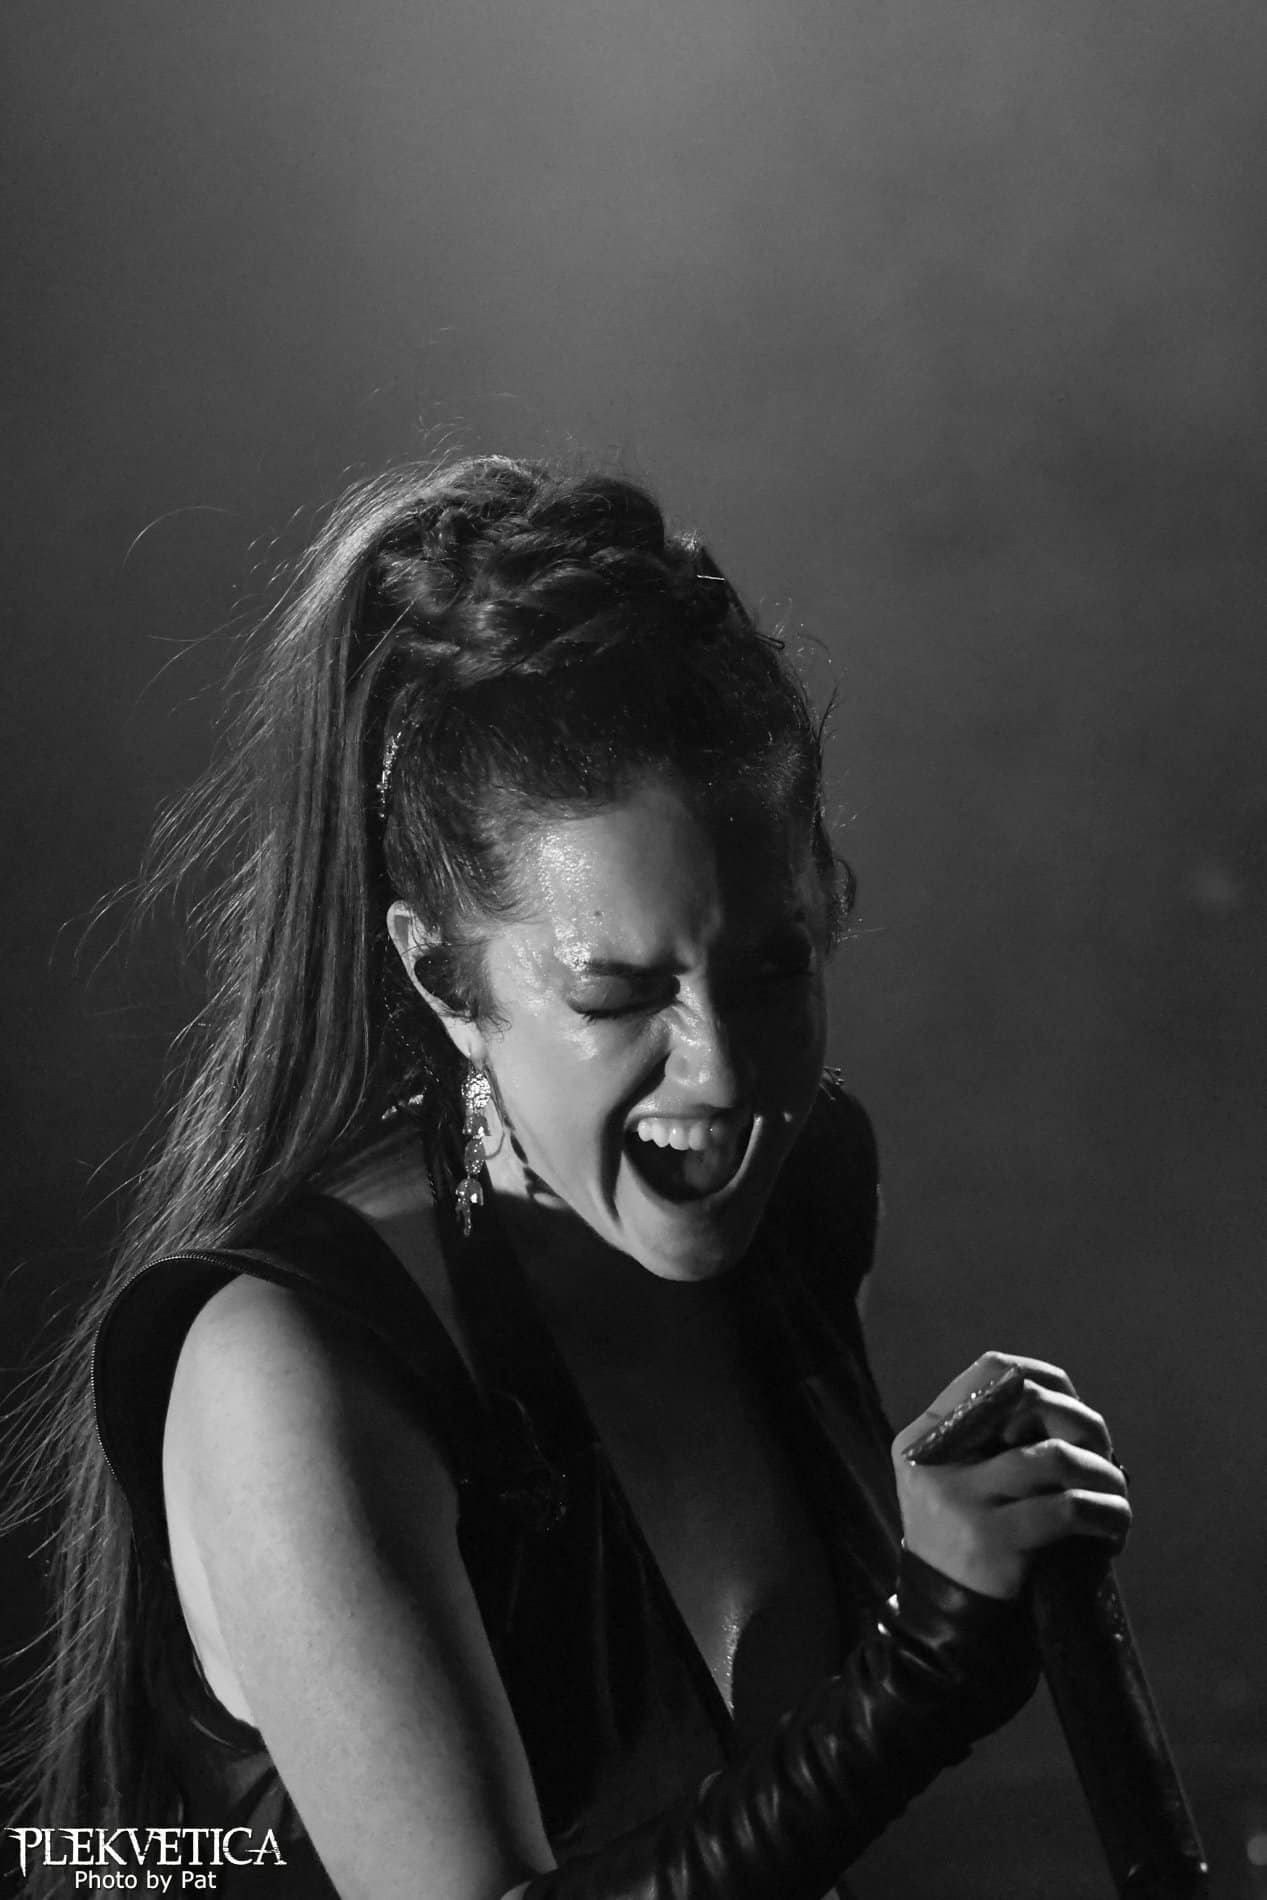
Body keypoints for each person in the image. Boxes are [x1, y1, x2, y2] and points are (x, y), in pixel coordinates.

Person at [11, 457, 1131, 1900]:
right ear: (447, 983)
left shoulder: (801, 1193)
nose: (721, 1071)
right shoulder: (289, 1369)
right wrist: (917, 1675)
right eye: (617, 994)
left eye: (773, 967)